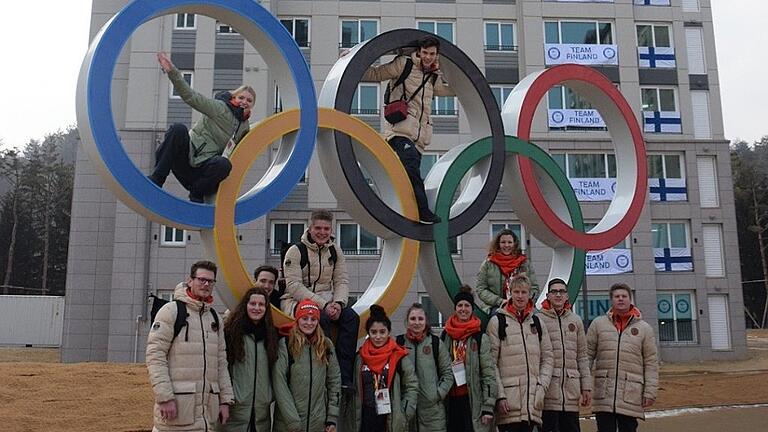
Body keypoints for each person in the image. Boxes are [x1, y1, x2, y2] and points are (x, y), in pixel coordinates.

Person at [361, 36, 454, 223]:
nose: (428, 57)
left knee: (408, 176)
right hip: (399, 131)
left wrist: (468, 83)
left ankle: (404, 213)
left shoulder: (433, 74)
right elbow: (376, 74)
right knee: (410, 165)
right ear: (419, 51)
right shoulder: (405, 64)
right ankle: (423, 211)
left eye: (432, 54)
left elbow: (444, 91)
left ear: (437, 55)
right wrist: (350, 60)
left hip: (419, 138)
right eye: (425, 53)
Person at [148, 51, 254, 203]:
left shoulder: (244, 127)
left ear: (252, 106)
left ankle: (197, 194)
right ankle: (157, 178)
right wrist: (172, 71)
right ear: (233, 97)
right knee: (178, 129)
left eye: (249, 100)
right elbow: (192, 97)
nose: (245, 102)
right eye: (241, 97)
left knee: (224, 164)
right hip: (186, 159)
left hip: (203, 173)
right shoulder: (220, 108)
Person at [146, 260, 233, 432]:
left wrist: (225, 400)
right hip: (176, 413)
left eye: (210, 281)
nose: (206, 284)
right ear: (190, 280)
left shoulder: (215, 317)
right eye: (201, 279)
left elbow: (221, 363)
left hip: (207, 416)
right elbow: (155, 356)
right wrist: (164, 397)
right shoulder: (171, 311)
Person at [281, 209, 359, 389]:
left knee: (351, 318)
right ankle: (326, 372)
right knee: (319, 319)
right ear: (310, 228)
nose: (322, 232)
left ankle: (344, 376)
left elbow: (341, 280)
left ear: (331, 230)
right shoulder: (296, 251)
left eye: (326, 229)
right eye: (318, 228)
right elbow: (293, 286)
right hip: (297, 300)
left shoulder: (335, 251)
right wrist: (323, 305)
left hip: (328, 299)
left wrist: (338, 303)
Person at [587, 283, 658, 432]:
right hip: (604, 393)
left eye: (624, 296)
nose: (620, 299)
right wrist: (584, 386)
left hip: (630, 394)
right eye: (617, 296)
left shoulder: (644, 329)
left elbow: (651, 362)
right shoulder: (598, 324)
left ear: (630, 299)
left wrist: (650, 391)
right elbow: (587, 356)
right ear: (611, 300)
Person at [487, 275, 553, 432]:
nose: (520, 296)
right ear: (510, 293)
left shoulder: (537, 322)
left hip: (532, 403)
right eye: (516, 292)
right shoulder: (498, 322)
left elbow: (548, 358)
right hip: (509, 404)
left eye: (524, 292)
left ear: (529, 294)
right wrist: (500, 396)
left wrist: (541, 386)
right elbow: (491, 363)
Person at [342, 305, 418, 432]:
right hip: (364, 418)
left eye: (382, 332)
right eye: (373, 332)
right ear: (368, 333)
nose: (378, 337)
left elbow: (412, 386)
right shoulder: (359, 357)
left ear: (389, 332)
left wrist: (404, 412)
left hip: (390, 418)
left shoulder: (399, 356)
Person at [272, 299, 341, 432]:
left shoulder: (326, 345)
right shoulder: (286, 344)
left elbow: (334, 381)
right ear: (297, 319)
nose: (309, 323)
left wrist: (331, 417)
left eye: (313, 319)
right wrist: (293, 421)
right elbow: (279, 382)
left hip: (317, 423)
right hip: (288, 424)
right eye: (304, 318)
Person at [219, 287, 279, 432]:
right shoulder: (231, 332)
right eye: (253, 304)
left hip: (261, 414)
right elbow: (221, 369)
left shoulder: (272, 336)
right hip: (235, 411)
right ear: (245, 305)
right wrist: (224, 400)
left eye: (261, 304)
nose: (257, 308)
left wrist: (268, 396)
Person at [441, 285, 497, 432]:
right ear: (455, 308)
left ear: (472, 309)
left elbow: (488, 374)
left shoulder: (480, 338)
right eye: (460, 305)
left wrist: (488, 406)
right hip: (450, 400)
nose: (463, 309)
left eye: (467, 305)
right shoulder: (445, 335)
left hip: (472, 401)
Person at [538, 279, 592, 432]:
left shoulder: (576, 321)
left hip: (571, 391)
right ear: (547, 295)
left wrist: (586, 386)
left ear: (567, 296)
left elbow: (582, 356)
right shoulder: (538, 320)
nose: (558, 295)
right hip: (548, 393)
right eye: (554, 291)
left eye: (562, 291)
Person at [395, 303, 454, 431]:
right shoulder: (398, 343)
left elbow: (448, 373)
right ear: (407, 321)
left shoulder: (435, 343)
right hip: (406, 410)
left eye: (420, 319)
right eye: (413, 318)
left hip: (433, 413)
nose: (417, 322)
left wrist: (437, 394)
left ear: (426, 321)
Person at [476, 228, 538, 315]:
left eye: (509, 242)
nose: (506, 245)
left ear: (514, 244)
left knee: (537, 317)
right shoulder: (488, 264)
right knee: (498, 318)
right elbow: (481, 289)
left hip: (523, 304)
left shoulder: (524, 262)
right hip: (497, 306)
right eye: (503, 242)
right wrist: (499, 301)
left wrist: (524, 300)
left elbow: (534, 287)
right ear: (498, 244)